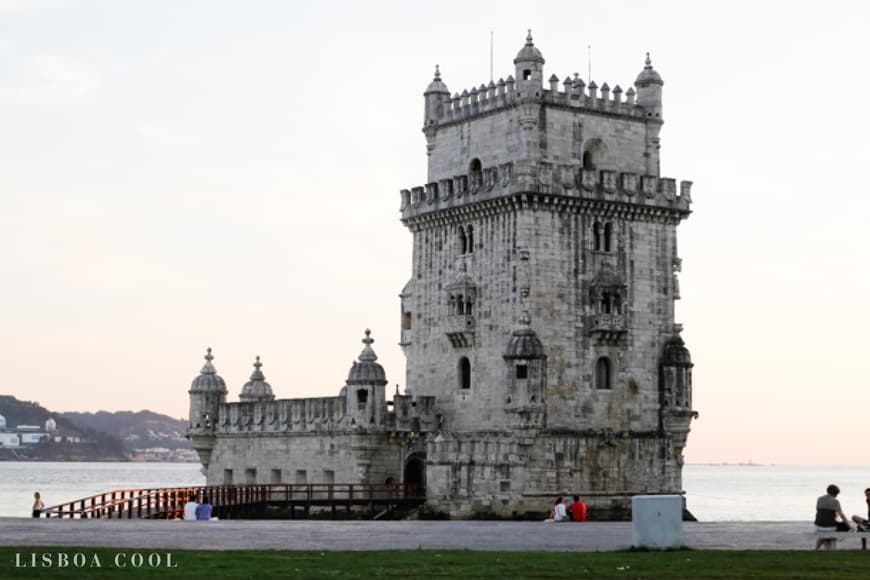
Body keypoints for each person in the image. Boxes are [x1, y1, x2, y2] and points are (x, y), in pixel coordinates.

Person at [815, 484, 851, 549]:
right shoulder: (835, 501)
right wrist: (849, 526)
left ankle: (816, 548)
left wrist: (833, 514)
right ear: (836, 493)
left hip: (818, 526)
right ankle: (838, 538)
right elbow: (841, 515)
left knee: (824, 534)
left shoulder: (819, 499)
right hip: (830, 527)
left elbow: (818, 510)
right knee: (844, 526)